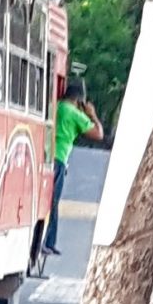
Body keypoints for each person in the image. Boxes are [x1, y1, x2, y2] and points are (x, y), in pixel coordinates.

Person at [44, 81, 103, 256]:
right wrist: (92, 115)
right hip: (59, 159)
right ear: (79, 100)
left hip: (47, 156)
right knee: (53, 202)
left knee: (48, 201)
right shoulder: (75, 114)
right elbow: (98, 134)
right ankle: (48, 242)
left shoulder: (56, 107)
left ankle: (47, 241)